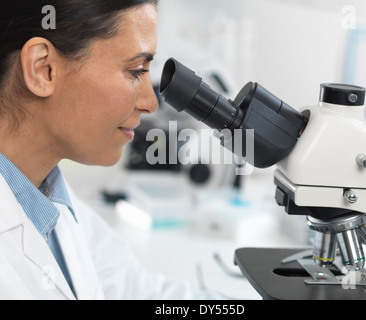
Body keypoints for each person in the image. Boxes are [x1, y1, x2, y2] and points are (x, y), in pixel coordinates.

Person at [0, 0, 221, 300]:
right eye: (135, 71)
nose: (150, 102)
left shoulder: (52, 202)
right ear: (43, 69)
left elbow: (146, 295)